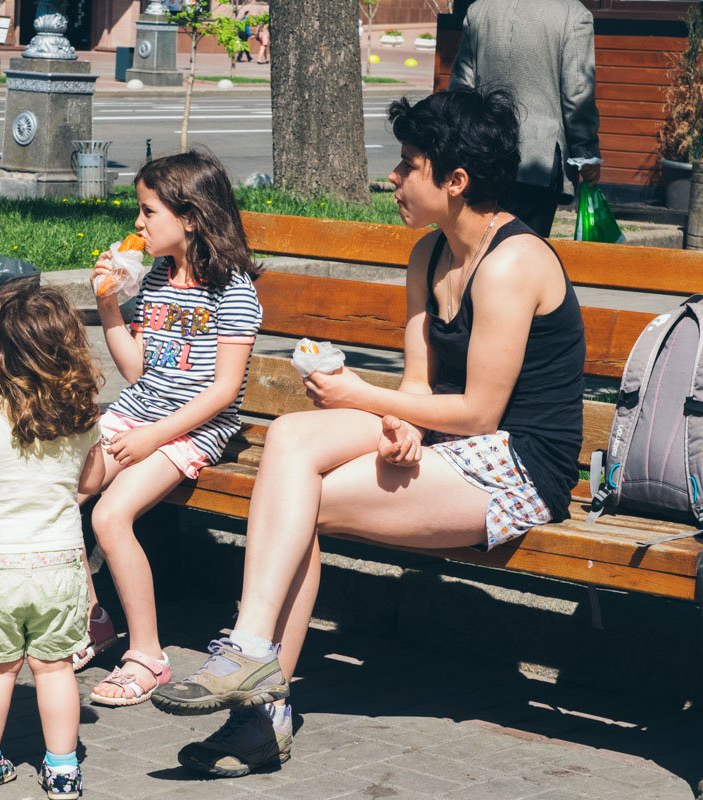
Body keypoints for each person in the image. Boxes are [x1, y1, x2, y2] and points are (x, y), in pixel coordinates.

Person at [151, 89, 586, 779]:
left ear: (455, 180)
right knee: (293, 441)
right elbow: (419, 388)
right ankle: (250, 655)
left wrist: (360, 395)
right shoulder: (429, 255)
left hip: (519, 465)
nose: (393, 178)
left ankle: (258, 701)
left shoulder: (512, 262)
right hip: (456, 445)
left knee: (300, 503)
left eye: (408, 164)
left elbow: (480, 412)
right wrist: (397, 419)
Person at [81, 149, 263, 709]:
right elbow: (138, 371)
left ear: (189, 217)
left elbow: (223, 392)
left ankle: (148, 656)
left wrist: (152, 438)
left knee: (110, 515)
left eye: (147, 211)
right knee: (59, 488)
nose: (137, 224)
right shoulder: (157, 276)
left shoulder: (232, 291)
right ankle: (91, 619)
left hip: (194, 427)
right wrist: (109, 306)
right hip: (141, 410)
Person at [0, 280, 106, 798]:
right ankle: (61, 769)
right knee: (54, 670)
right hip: (59, 569)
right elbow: (92, 482)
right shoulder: (79, 419)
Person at [448, 0, 602, 236]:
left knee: (481, 245)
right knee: (526, 251)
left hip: (482, 151)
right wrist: (586, 153)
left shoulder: (480, 9)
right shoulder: (573, 14)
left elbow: (461, 87)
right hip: (538, 157)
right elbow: (577, 93)